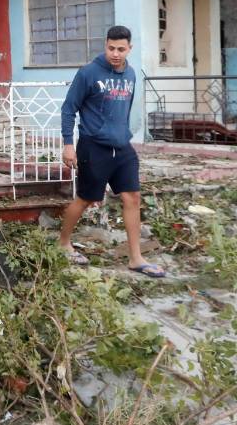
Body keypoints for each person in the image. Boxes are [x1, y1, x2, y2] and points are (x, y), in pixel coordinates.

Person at [58, 26, 163, 278]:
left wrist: (122, 134)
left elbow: (124, 111)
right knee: (86, 198)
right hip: (93, 146)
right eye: (111, 48)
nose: (115, 54)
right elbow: (68, 109)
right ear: (105, 45)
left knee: (133, 197)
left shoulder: (131, 74)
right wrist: (68, 144)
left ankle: (136, 258)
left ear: (130, 49)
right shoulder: (88, 73)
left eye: (121, 49)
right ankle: (63, 243)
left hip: (122, 146)